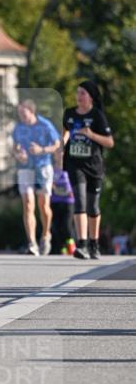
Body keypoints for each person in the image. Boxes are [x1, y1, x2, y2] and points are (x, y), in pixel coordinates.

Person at [62, 79, 114, 260]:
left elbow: (109, 142)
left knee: (93, 206)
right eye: (77, 93)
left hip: (94, 165)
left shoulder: (97, 116)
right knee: (80, 201)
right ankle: (81, 244)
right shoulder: (69, 113)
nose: (79, 96)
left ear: (91, 97)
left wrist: (91, 135)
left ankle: (94, 243)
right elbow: (65, 131)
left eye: (82, 93)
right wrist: (61, 144)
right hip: (74, 164)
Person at [12, 99, 60, 256]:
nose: (21, 117)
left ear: (32, 112)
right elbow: (15, 148)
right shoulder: (18, 128)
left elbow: (57, 144)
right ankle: (31, 243)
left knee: (43, 205)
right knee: (28, 204)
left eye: (23, 114)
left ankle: (46, 235)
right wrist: (19, 155)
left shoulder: (45, 125)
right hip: (25, 169)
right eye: (19, 114)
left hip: (43, 166)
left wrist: (42, 149)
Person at [50, 150, 75, 255]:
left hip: (68, 201)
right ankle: (61, 248)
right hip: (55, 201)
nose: (60, 157)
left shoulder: (70, 168)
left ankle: (71, 244)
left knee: (67, 225)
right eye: (58, 155)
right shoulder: (52, 170)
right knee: (56, 226)